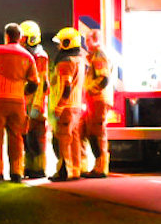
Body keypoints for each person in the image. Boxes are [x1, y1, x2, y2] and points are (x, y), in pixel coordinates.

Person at [0, 23, 35, 182]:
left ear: (6, 36)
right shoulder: (28, 56)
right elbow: (34, 83)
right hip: (18, 102)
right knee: (16, 137)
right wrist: (22, 92)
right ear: (20, 37)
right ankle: (16, 172)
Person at [48, 26, 88, 181]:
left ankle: (64, 171)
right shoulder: (80, 60)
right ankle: (75, 169)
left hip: (66, 107)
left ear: (67, 43)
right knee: (75, 139)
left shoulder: (65, 62)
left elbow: (66, 87)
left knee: (63, 140)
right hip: (76, 106)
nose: (58, 46)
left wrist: (59, 107)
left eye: (60, 42)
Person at [80, 30, 113, 178]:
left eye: (88, 40)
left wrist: (89, 90)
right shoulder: (95, 56)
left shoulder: (99, 56)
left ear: (95, 40)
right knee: (92, 132)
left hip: (98, 99)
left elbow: (103, 78)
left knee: (97, 133)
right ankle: (98, 166)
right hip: (96, 99)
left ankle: (100, 168)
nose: (86, 43)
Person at [19, 20, 51, 179]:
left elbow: (41, 83)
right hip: (27, 103)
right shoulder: (29, 55)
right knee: (28, 138)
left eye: (23, 38)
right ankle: (29, 167)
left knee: (37, 138)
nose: (21, 41)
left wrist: (37, 107)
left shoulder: (40, 56)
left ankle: (38, 168)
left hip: (36, 105)